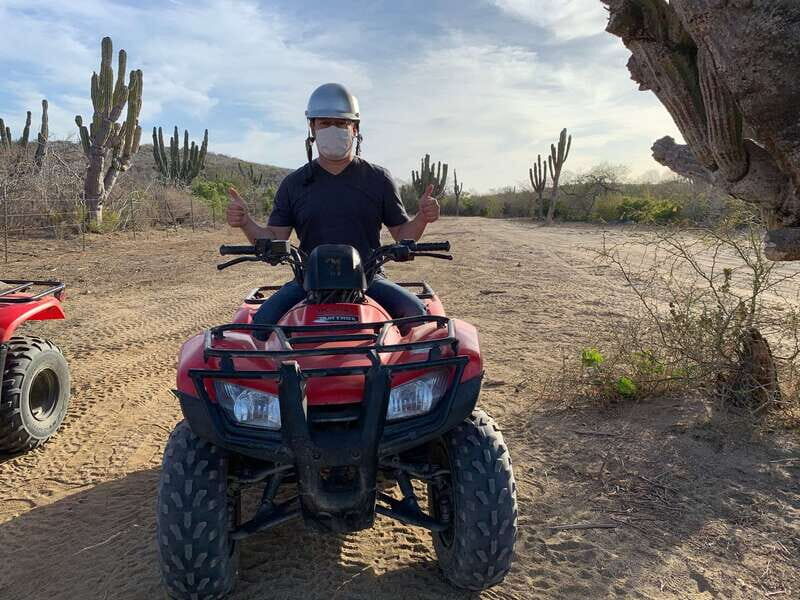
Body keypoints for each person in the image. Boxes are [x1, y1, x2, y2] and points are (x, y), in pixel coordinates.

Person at [226, 82, 440, 325]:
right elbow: (274, 238)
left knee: (419, 318)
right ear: (312, 128)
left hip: (369, 279)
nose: (332, 129)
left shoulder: (378, 178)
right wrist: (245, 222)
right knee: (261, 326)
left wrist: (423, 218)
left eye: (341, 123)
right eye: (325, 123)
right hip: (307, 281)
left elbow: (402, 234)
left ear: (355, 128)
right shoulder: (294, 183)